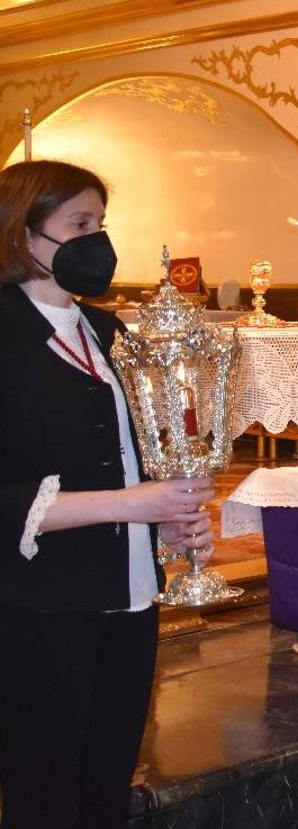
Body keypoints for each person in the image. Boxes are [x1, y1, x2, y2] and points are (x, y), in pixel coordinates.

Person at [0, 160, 216, 829]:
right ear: (22, 237)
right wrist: (134, 504)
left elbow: (128, 457)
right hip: (40, 606)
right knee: (44, 789)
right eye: (80, 225)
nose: (98, 241)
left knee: (107, 780)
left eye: (102, 224)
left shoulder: (108, 333)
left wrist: (170, 522)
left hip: (130, 597)